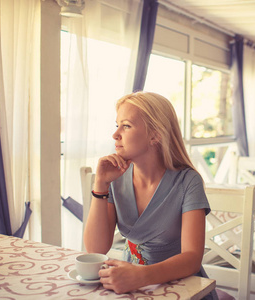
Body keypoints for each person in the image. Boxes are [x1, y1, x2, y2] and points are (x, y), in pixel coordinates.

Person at [84, 91, 216, 298]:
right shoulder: (115, 179)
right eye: (116, 125)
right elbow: (96, 248)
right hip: (131, 285)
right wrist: (100, 185)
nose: (115, 134)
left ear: (155, 134)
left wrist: (141, 276)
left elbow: (192, 258)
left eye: (126, 126)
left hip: (182, 287)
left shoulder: (188, 181)